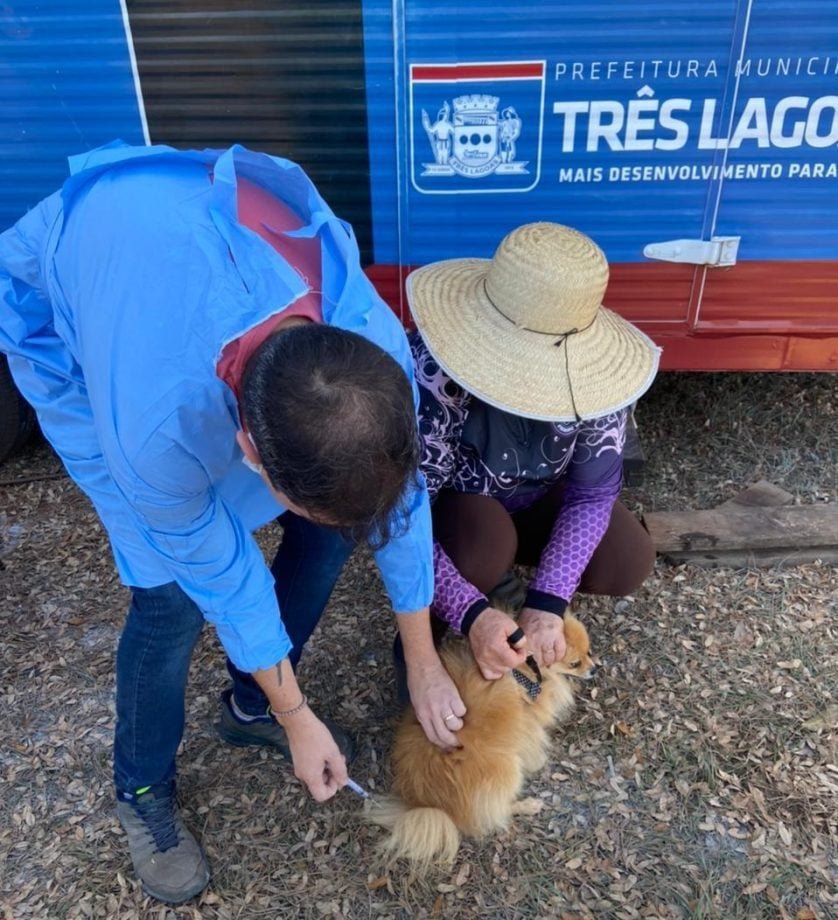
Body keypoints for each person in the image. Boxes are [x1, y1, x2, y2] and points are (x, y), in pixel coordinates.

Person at [0, 142, 466, 905]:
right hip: (83, 334)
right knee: (171, 596)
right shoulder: (151, 431)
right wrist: (299, 715)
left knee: (331, 526)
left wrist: (421, 661)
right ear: (248, 450)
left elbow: (400, 506)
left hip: (191, 271)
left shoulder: (369, 352)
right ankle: (142, 789)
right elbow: (227, 574)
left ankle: (248, 702)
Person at [397, 221, 661, 683]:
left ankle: (517, 602)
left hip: (536, 496)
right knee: (485, 542)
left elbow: (591, 496)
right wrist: (470, 611)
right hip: (456, 505)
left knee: (627, 558)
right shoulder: (432, 367)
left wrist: (547, 603)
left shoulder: (602, 381)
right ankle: (420, 642)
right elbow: (402, 510)